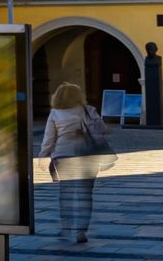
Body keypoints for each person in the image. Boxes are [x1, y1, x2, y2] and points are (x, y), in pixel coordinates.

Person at [39, 81, 114, 246]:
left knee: (65, 194)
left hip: (63, 156)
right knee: (86, 195)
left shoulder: (55, 113)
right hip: (87, 155)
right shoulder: (88, 110)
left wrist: (43, 155)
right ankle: (81, 230)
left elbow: (49, 138)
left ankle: (66, 226)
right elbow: (103, 129)